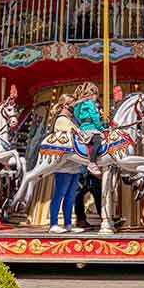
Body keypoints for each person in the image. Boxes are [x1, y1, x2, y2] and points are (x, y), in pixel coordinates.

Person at [48, 94, 84, 234]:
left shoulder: (71, 121)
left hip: (74, 165)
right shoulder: (61, 120)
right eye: (72, 105)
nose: (74, 108)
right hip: (64, 165)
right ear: (65, 105)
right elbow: (69, 136)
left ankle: (68, 223)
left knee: (70, 196)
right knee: (60, 194)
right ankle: (53, 224)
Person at [73, 82, 104, 176]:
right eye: (96, 95)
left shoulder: (79, 103)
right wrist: (101, 128)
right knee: (98, 141)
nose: (96, 98)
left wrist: (83, 123)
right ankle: (92, 163)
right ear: (92, 94)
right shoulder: (90, 103)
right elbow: (94, 116)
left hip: (83, 128)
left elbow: (76, 116)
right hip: (91, 128)